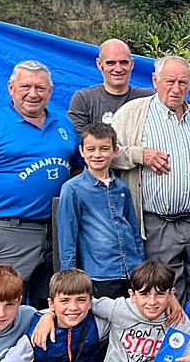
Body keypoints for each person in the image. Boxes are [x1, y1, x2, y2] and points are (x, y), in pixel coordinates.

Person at [0, 60, 78, 303]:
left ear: (50, 91)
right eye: (25, 87)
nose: (33, 94)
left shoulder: (64, 124)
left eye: (40, 88)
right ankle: (1, 343)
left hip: (58, 228)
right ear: (11, 88)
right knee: (5, 302)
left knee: (52, 304)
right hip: (12, 230)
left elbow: (79, 171)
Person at [111, 55, 190, 300]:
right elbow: (107, 152)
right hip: (158, 224)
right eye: (170, 81)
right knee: (165, 292)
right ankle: (171, 339)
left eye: (183, 82)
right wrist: (139, 154)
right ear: (155, 80)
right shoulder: (132, 114)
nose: (176, 89)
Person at [57, 121, 143, 299]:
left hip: (131, 270)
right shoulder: (73, 189)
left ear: (115, 151)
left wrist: (140, 264)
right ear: (81, 151)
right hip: (100, 273)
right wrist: (69, 276)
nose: (97, 155)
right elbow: (67, 236)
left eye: (104, 149)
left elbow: (133, 228)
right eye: (91, 149)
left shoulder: (121, 187)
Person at [68, 39, 154, 133]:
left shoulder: (148, 98)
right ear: (99, 64)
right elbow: (80, 140)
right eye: (111, 63)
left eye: (124, 62)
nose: (118, 69)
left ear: (132, 64)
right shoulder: (84, 99)